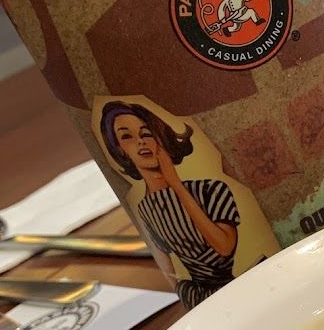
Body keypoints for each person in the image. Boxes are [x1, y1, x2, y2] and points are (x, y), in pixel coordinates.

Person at [99, 101, 241, 308]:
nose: (140, 142)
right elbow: (168, 267)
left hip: (240, 288)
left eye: (146, 133)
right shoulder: (144, 209)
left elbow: (225, 247)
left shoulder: (211, 189)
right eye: (127, 136)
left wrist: (176, 185)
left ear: (159, 138)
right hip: (198, 302)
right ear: (120, 150)